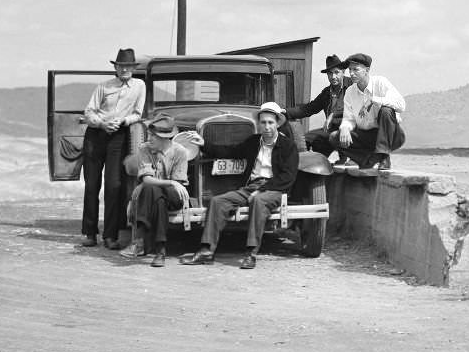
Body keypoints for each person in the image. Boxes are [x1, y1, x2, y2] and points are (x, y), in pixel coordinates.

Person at [180, 101, 298, 270]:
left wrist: (262, 190)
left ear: (277, 124)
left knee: (258, 202)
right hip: (250, 187)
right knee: (217, 201)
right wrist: (203, 143)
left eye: (270, 122)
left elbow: (288, 177)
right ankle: (206, 251)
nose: (266, 127)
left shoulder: (288, 146)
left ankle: (251, 254)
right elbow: (230, 151)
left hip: (274, 189)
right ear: (259, 124)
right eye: (263, 122)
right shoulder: (253, 141)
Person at [81, 48, 145, 249]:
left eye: (128, 66)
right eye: (121, 66)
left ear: (133, 68)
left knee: (114, 186)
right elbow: (89, 111)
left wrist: (123, 121)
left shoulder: (139, 86)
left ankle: (110, 236)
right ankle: (90, 233)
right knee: (92, 185)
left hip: (118, 136)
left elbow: (138, 113)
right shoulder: (103, 86)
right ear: (116, 68)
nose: (125, 69)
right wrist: (101, 124)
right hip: (96, 135)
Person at [120, 115, 190, 267]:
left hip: (174, 196)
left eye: (153, 136)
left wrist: (170, 183)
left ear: (165, 139)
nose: (149, 138)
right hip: (155, 196)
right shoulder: (144, 149)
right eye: (149, 134)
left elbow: (176, 187)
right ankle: (160, 251)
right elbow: (146, 179)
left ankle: (139, 240)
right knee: (155, 195)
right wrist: (169, 181)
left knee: (152, 189)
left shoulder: (180, 152)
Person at [331, 53, 406, 170]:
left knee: (386, 110)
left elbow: (401, 105)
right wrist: (345, 128)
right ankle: (367, 160)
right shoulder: (350, 92)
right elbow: (348, 119)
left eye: (356, 69)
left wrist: (373, 100)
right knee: (334, 137)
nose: (351, 73)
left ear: (367, 70)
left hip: (391, 135)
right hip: (367, 137)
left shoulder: (381, 82)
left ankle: (383, 155)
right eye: (349, 70)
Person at [284, 54, 347, 156]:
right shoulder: (326, 92)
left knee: (339, 135)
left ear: (343, 72)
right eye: (330, 73)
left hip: (349, 128)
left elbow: (355, 108)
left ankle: (344, 158)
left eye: (336, 72)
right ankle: (304, 166)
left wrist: (334, 114)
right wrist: (285, 112)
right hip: (330, 129)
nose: (333, 77)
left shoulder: (352, 87)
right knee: (306, 139)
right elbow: (309, 108)